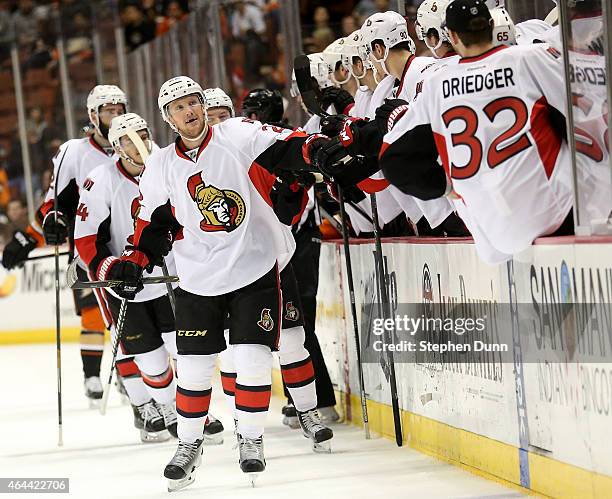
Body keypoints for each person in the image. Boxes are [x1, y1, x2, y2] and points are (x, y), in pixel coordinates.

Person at [109, 76, 328, 490]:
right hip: (197, 278)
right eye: (178, 108)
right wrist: (135, 260)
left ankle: (250, 437)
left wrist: (319, 149)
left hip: (254, 268)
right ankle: (189, 446)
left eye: (193, 102)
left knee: (251, 359)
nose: (189, 111)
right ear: (168, 118)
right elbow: (150, 223)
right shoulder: (161, 164)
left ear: (202, 105)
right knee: (192, 369)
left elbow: (291, 144)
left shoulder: (237, 134)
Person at [377, 0, 573, 263]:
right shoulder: (529, 58)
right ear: (492, 25)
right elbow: (579, 113)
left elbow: (393, 159)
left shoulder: (437, 85)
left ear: (452, 36)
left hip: (496, 233)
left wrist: (444, 187)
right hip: (555, 215)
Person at [0, 85, 153, 415]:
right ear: (93, 116)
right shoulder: (75, 151)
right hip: (95, 254)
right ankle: (108, 379)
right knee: (103, 318)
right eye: (107, 111)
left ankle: (147, 384)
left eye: (119, 109)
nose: (114, 116)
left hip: (144, 251)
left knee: (154, 326)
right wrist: (37, 233)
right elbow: (55, 204)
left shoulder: (142, 147)